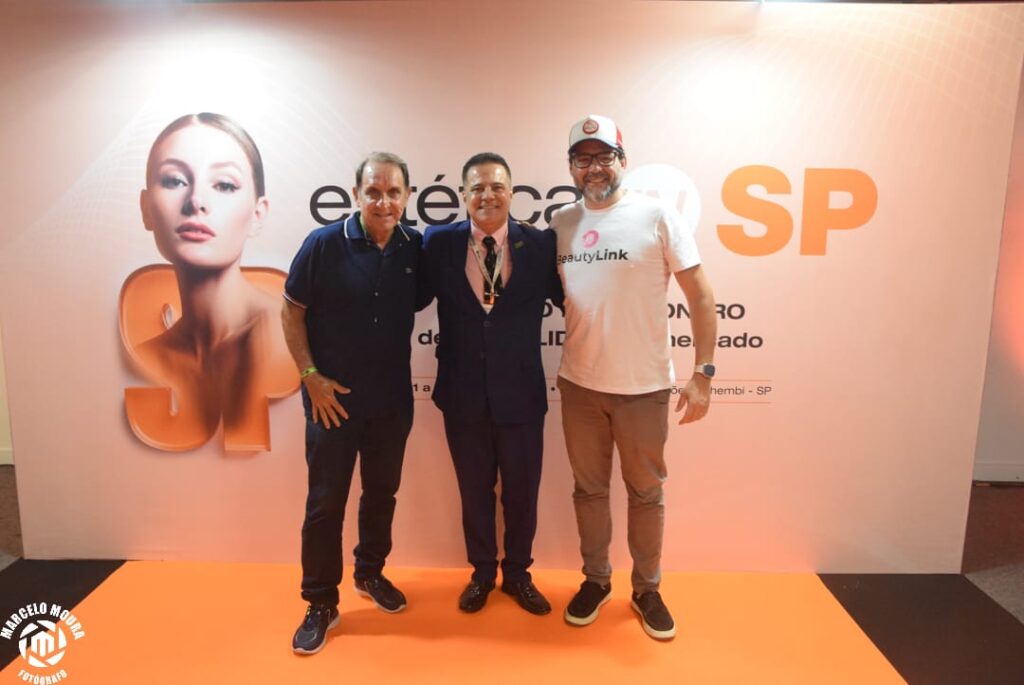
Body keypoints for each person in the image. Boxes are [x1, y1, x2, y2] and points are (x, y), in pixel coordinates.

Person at [550, 115, 717, 641]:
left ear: (623, 160)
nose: (594, 167)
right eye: (583, 159)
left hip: (644, 388)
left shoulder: (657, 215)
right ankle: (596, 580)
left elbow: (701, 297)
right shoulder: (560, 223)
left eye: (604, 156)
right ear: (572, 168)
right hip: (579, 384)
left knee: (646, 493)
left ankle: (646, 589)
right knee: (588, 491)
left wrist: (703, 373)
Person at [282, 152, 422, 655]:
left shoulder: (414, 246)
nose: (384, 202)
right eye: (374, 192)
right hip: (332, 403)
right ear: (356, 194)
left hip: (392, 402)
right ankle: (321, 601)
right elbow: (291, 311)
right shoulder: (323, 244)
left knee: (382, 494)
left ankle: (370, 572)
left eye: (393, 192)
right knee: (325, 504)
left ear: (407, 196)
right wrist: (310, 377)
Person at [419, 152, 563, 616]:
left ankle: (518, 574)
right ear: (463, 195)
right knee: (474, 492)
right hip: (463, 394)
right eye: (477, 188)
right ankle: (482, 573)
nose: (487, 195)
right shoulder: (439, 242)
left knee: (522, 494)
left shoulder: (539, 245)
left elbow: (574, 299)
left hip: (521, 395)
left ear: (512, 193)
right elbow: (410, 296)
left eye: (497, 186)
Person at [134, 112, 294, 451]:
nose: (196, 202)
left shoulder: (291, 339)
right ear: (146, 208)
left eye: (224, 185)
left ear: (258, 214)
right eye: (175, 181)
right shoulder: (142, 358)